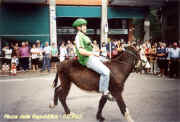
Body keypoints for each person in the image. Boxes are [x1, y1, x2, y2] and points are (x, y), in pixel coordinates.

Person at [72, 18, 112, 100]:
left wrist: (97, 50)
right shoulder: (78, 37)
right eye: (83, 26)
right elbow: (81, 51)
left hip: (92, 56)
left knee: (109, 62)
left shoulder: (84, 36)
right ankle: (104, 91)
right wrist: (93, 53)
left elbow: (91, 46)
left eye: (85, 25)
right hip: (87, 59)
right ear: (78, 28)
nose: (85, 27)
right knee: (106, 72)